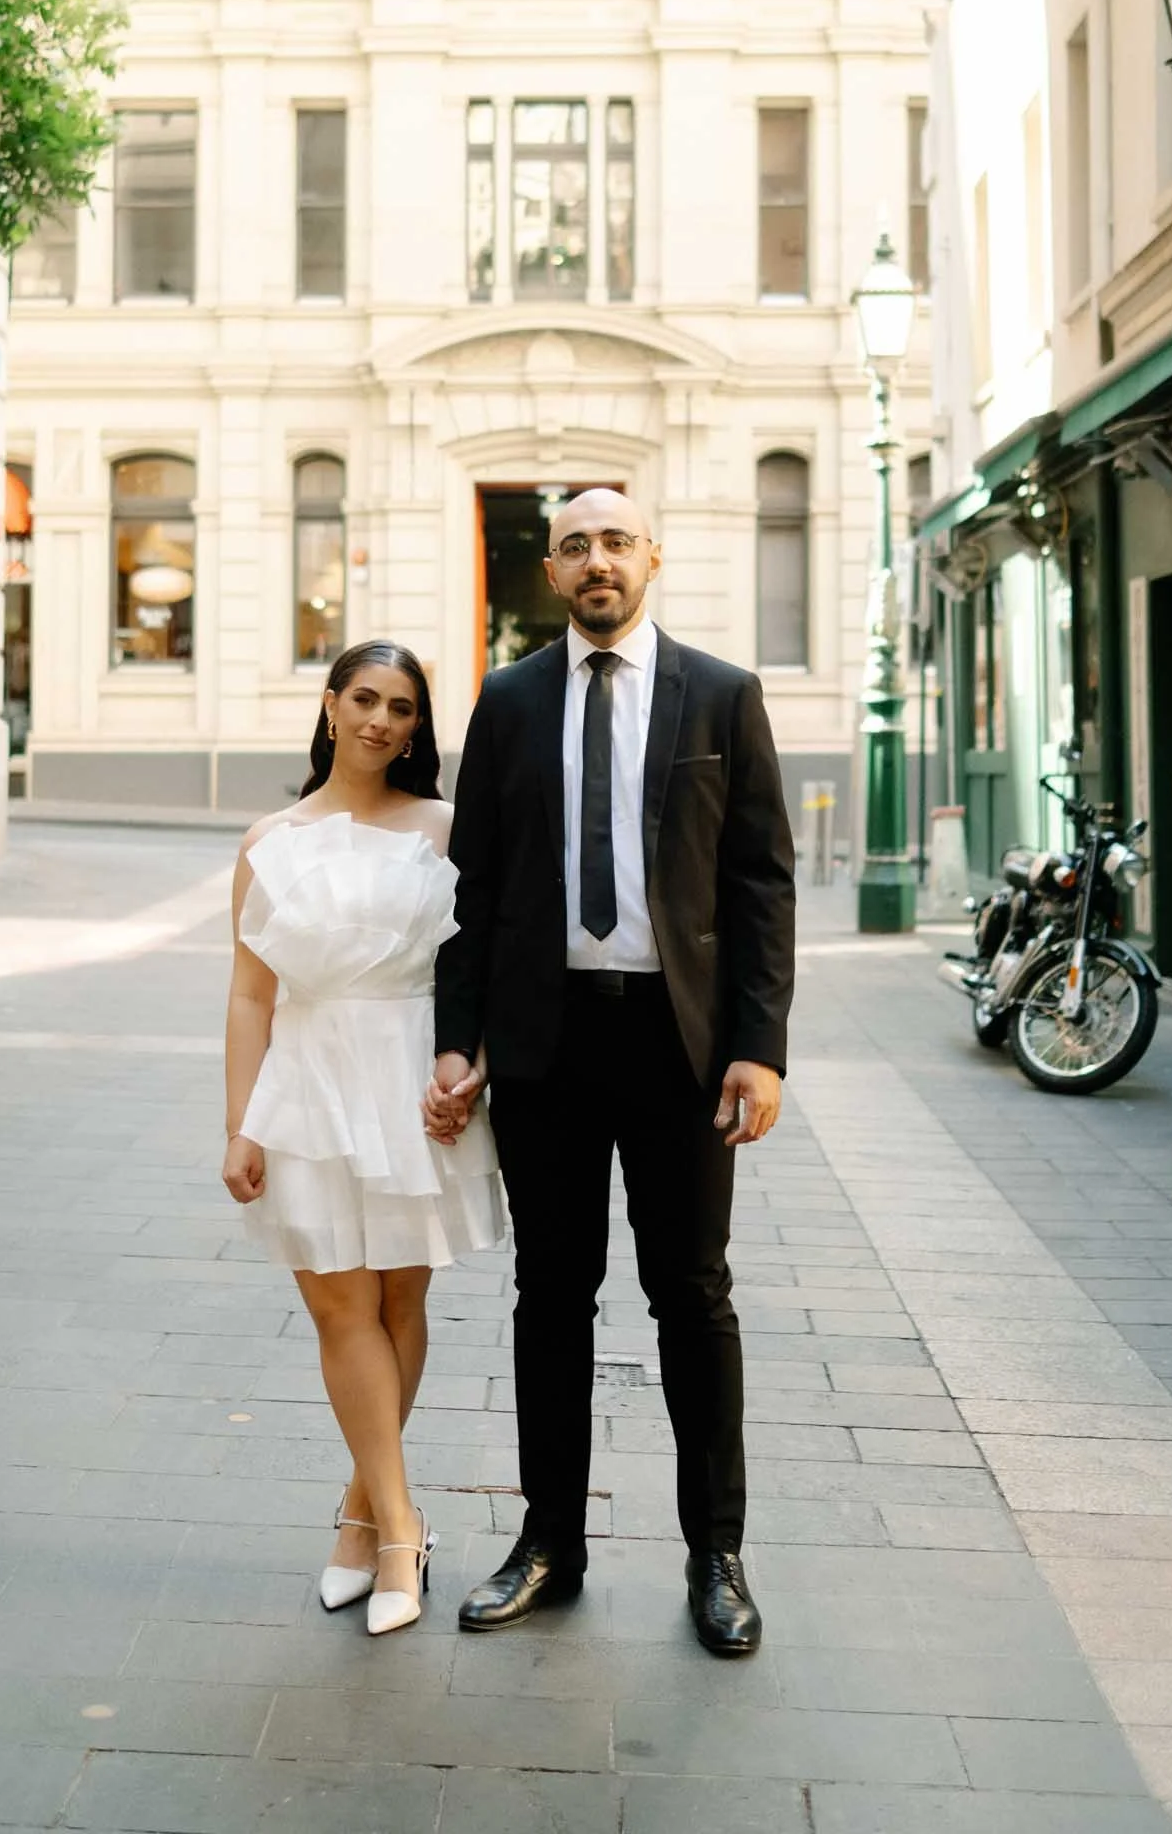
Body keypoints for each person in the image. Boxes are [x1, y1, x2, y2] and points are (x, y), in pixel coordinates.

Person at [430, 491, 797, 1656]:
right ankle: (550, 1544)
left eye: (616, 542)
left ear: (652, 559)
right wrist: (461, 1036)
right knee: (553, 1297)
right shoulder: (508, 698)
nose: (598, 562)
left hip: (677, 1045)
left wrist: (760, 1045)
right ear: (553, 571)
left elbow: (759, 885)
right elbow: (474, 891)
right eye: (577, 545)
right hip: (546, 1044)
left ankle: (716, 1555)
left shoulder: (722, 696)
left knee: (692, 1296)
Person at [222, 640, 505, 1637]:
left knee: (395, 1296)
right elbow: (251, 995)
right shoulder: (268, 839)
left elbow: (477, 975)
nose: (382, 720)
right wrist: (238, 1127)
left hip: (408, 1070)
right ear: (331, 706)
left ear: (417, 727)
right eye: (365, 699)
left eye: (402, 708)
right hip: (306, 1078)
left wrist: (468, 1068)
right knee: (338, 1302)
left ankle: (362, 1516)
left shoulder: (446, 828)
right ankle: (399, 1527)